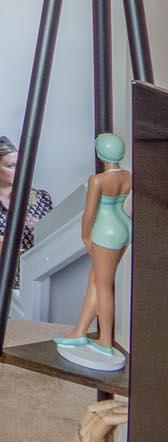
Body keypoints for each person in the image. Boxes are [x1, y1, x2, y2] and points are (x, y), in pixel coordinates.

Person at [56, 132, 133, 371]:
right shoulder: (128, 175)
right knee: (96, 281)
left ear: (101, 153)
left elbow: (89, 213)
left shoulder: (97, 180)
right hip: (124, 225)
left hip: (106, 230)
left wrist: (85, 236)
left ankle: (105, 340)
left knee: (103, 285)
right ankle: (79, 331)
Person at [0, 136, 53, 294]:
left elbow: (54, 240)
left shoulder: (41, 199)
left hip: (32, 281)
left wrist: (41, 228)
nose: (19, 170)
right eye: (11, 166)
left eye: (20, 164)